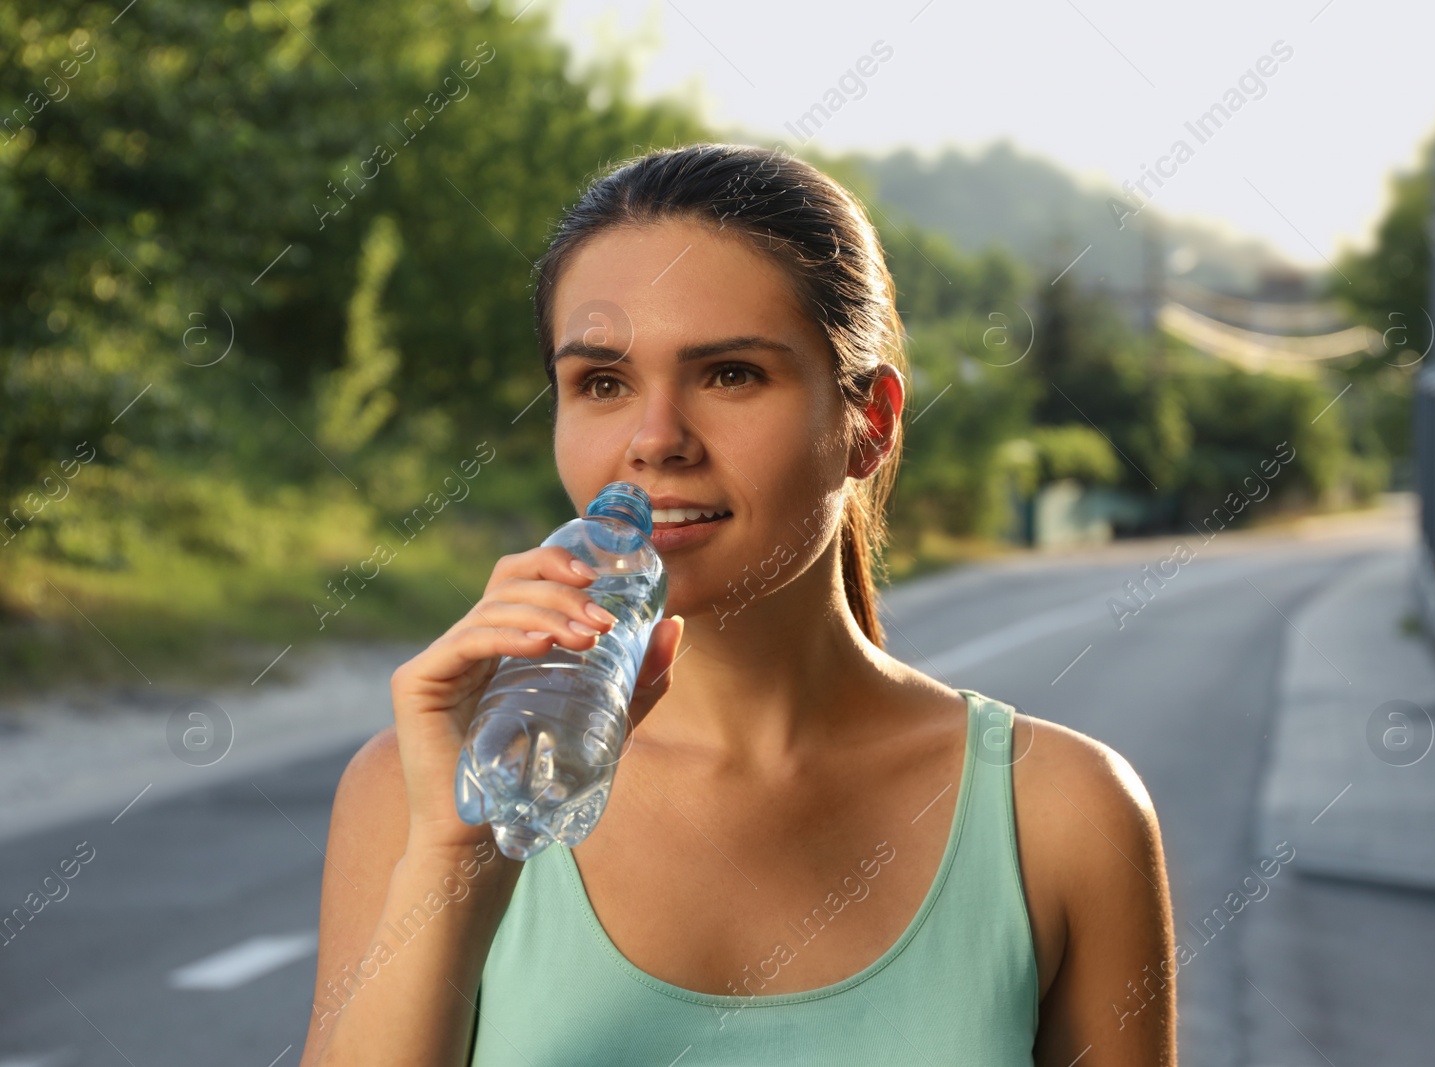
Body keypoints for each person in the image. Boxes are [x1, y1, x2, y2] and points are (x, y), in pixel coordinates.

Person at [300, 142, 1176, 1066]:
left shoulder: (1062, 815)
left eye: (730, 374)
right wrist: (453, 864)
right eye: (602, 381)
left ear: (868, 422)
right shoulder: (424, 794)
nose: (655, 440)